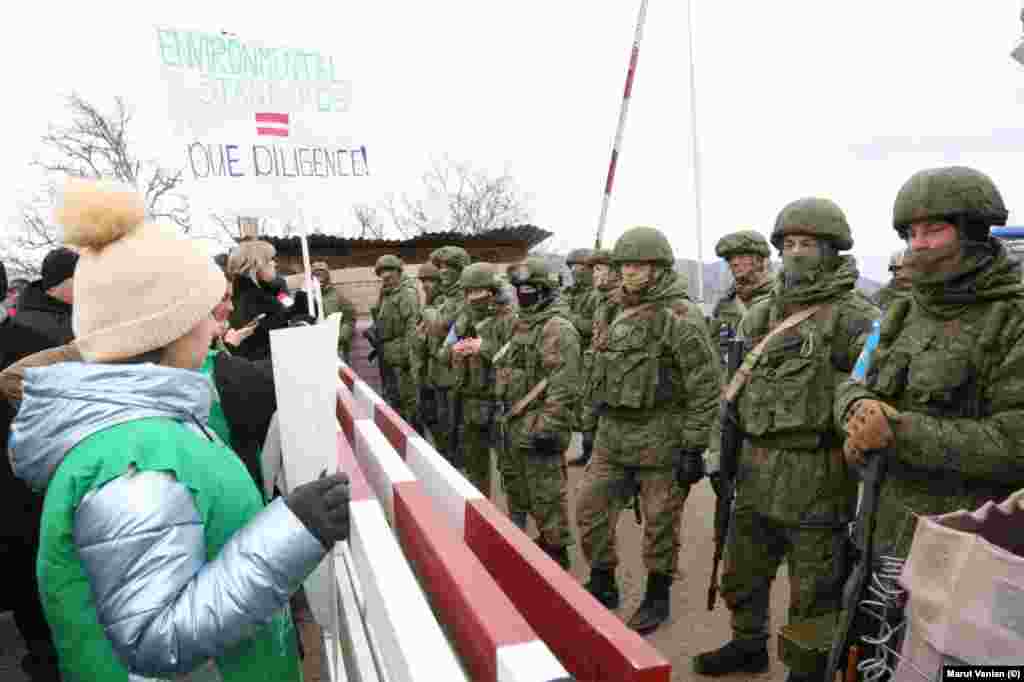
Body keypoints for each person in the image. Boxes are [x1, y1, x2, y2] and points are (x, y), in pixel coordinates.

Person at [8, 178, 350, 682]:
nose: (217, 327)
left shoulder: (153, 429)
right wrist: (292, 530)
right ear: (164, 324)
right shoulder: (133, 458)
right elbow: (156, 640)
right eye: (204, 313)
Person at [693, 198, 880, 680]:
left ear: (833, 250)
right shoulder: (760, 314)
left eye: (809, 245)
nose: (796, 254)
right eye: (790, 244)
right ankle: (747, 643)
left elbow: (868, 394)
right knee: (742, 572)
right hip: (755, 466)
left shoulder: (856, 318)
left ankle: (807, 666)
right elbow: (729, 393)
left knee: (815, 584)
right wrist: (718, 455)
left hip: (817, 471)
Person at [837, 166, 1024, 560]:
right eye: (910, 234)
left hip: (968, 543)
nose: (918, 244)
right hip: (882, 528)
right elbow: (853, 382)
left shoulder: (1012, 318)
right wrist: (856, 411)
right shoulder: (900, 312)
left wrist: (899, 431)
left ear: (973, 231)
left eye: (934, 230)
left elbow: (1015, 441)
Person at [576, 227, 720, 635]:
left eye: (639, 265)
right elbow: (595, 368)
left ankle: (658, 596)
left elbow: (705, 385)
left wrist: (694, 447)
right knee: (589, 511)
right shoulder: (610, 309)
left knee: (660, 525)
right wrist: (589, 424)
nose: (629, 273)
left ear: (658, 269)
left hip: (661, 437)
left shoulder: (679, 316)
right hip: (612, 436)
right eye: (624, 265)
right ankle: (603, 582)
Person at [0, 246, 78, 680]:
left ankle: (47, 657)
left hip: (26, 489)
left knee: (34, 586)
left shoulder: (32, 344)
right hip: (25, 491)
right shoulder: (36, 339)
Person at [494, 257, 578, 569]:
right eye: (519, 288)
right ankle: (544, 542)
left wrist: (548, 428)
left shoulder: (558, 328)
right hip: (515, 421)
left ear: (545, 291)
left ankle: (558, 556)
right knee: (521, 490)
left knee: (547, 496)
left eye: (530, 289)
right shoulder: (521, 322)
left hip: (539, 426)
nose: (523, 294)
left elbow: (564, 386)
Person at [444, 263, 517, 496]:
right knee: (475, 469)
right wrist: (456, 349)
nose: (474, 297)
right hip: (469, 403)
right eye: (469, 292)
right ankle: (483, 518)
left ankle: (516, 524)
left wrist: (482, 346)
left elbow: (516, 356)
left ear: (492, 291)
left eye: (480, 291)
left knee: (510, 469)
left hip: (500, 404)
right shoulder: (463, 319)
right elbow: (442, 352)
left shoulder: (509, 318)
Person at [569, 249, 621, 468]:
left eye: (599, 269)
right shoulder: (602, 301)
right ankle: (590, 454)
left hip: (615, 375)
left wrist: (568, 317)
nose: (594, 274)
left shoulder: (620, 302)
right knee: (588, 413)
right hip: (594, 365)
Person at [424, 246, 472, 463]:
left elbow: (446, 330)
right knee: (444, 420)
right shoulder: (443, 298)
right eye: (440, 267)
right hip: (440, 369)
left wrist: (431, 318)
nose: (442, 271)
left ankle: (459, 464)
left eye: (448, 267)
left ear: (460, 270)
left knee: (457, 422)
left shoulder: (466, 298)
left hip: (458, 371)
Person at [225, 240, 310, 361]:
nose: (274, 264)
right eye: (270, 260)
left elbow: (288, 308)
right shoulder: (250, 301)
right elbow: (279, 325)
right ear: (256, 266)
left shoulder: (271, 290)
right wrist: (302, 301)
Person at [372, 254, 420, 426]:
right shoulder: (387, 294)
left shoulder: (405, 293)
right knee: (394, 400)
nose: (385, 275)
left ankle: (417, 439)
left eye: (390, 270)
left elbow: (411, 325)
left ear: (398, 271)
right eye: (382, 271)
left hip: (402, 356)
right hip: (388, 353)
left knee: (409, 401)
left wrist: (409, 356)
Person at [411, 261, 445, 445]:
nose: (425, 285)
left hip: (439, 373)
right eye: (423, 280)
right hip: (426, 372)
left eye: (431, 280)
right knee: (429, 418)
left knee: (441, 424)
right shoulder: (427, 305)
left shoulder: (444, 304)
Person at [312, 261, 357, 363]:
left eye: (322, 273)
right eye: (316, 274)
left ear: (327, 276)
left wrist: (341, 337)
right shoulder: (308, 298)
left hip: (337, 349)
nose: (319, 277)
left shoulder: (338, 296)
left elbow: (350, 318)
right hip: (314, 348)